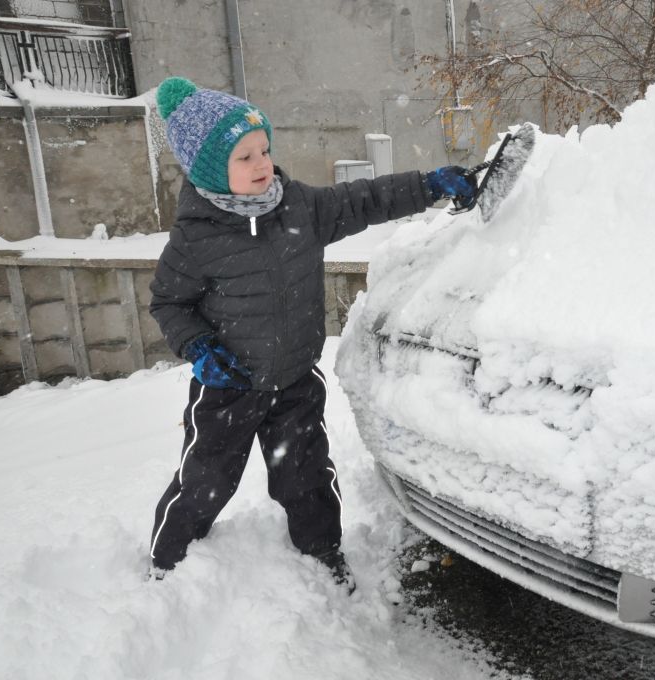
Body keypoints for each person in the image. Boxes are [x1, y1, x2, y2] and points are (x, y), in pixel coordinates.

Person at [146, 76, 477, 590]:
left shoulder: (297, 207)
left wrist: (431, 185)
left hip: (295, 381)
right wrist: (198, 347)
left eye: (264, 150)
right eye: (244, 157)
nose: (262, 165)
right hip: (228, 385)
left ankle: (322, 552)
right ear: (210, 169)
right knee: (206, 481)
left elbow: (364, 199)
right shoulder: (196, 238)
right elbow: (169, 301)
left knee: (307, 479)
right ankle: (168, 564)